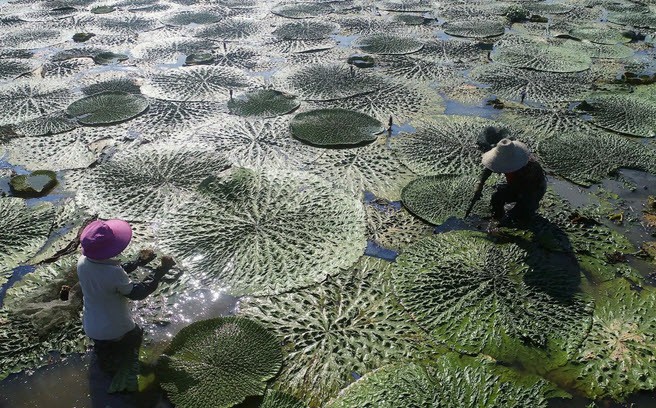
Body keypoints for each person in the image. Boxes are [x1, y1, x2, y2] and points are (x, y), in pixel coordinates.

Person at [77, 219, 176, 374]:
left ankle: (106, 360)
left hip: (91, 328)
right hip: (116, 329)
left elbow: (110, 273)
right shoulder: (114, 273)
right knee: (135, 338)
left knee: (105, 352)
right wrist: (160, 271)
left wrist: (137, 262)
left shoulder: (82, 262)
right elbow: (138, 292)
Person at [468, 127, 547, 225]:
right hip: (516, 185)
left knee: (516, 217)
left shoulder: (528, 168)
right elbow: (489, 167)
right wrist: (480, 184)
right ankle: (498, 216)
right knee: (497, 197)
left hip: (533, 190)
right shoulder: (507, 156)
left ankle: (527, 211)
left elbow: (525, 190)